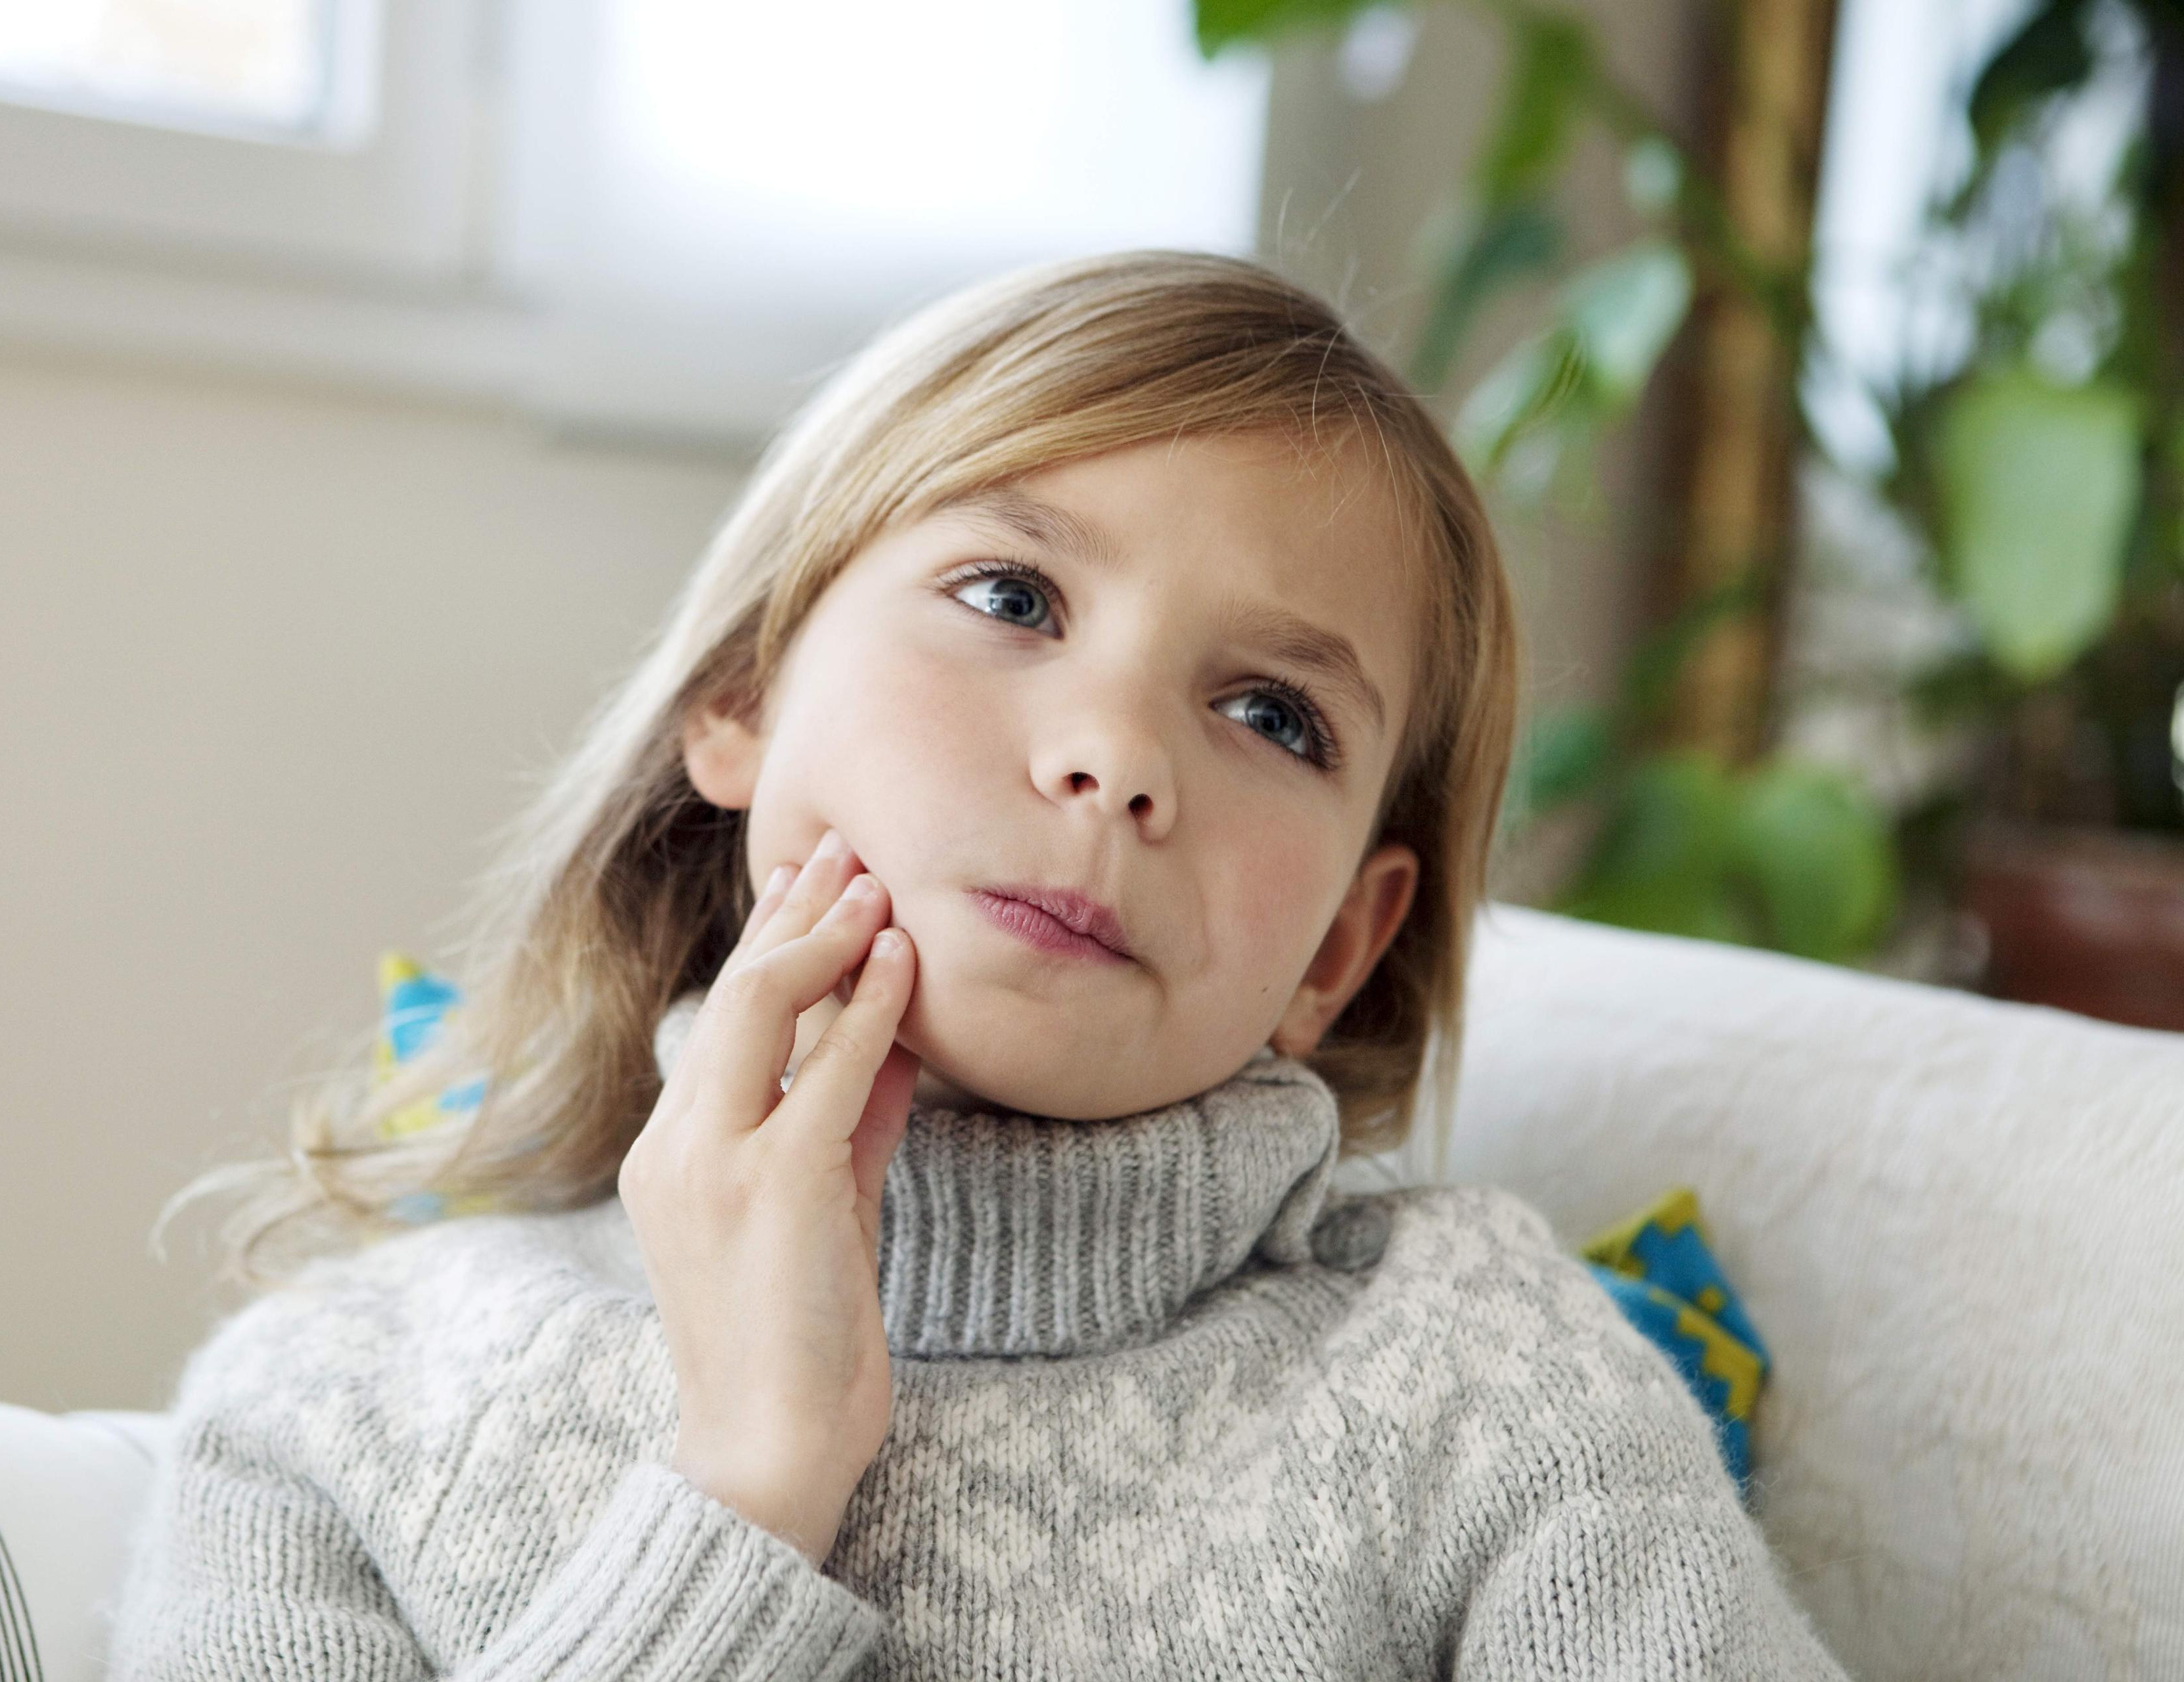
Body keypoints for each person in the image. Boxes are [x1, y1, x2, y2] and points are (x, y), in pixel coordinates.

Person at [109, 250, 1850, 1679]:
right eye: (1015, 599)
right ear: (742, 690)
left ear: (1340, 943)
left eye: (1270, 714)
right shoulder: (335, 1399)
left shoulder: (1491, 1378)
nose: (1118, 759)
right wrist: (745, 1489)